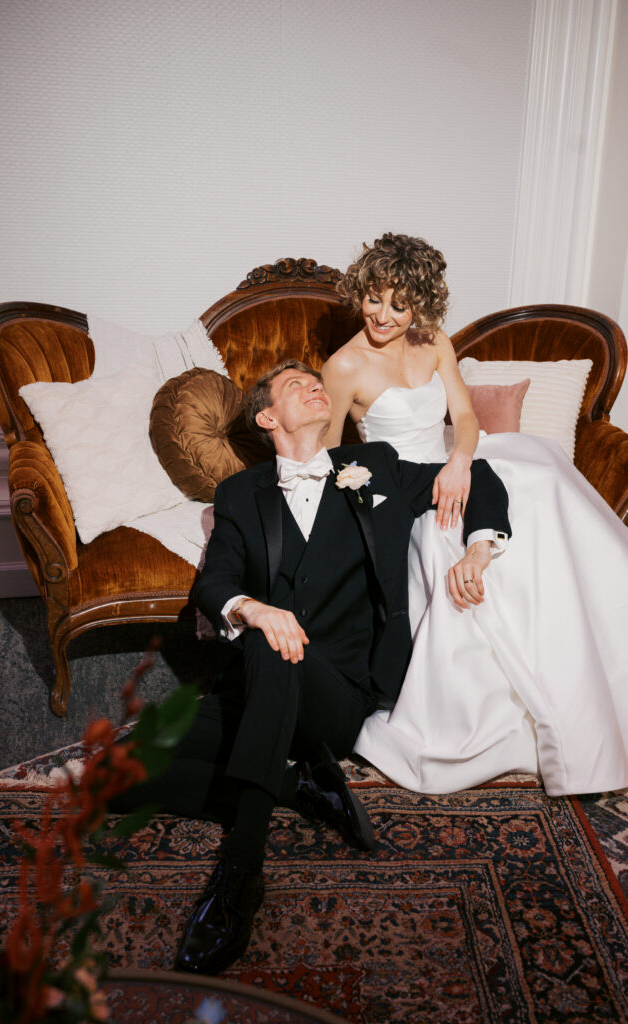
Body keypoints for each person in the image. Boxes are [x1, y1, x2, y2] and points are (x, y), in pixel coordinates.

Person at [117, 359, 510, 975]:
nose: (314, 387)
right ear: (267, 417)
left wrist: (478, 552)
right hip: (255, 685)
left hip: (339, 691)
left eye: (316, 381)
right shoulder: (240, 494)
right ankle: (296, 786)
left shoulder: (375, 466)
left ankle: (241, 873)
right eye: (294, 385)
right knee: (116, 771)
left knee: (274, 648)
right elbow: (213, 583)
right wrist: (253, 608)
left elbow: (478, 475)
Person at [322, 232, 628, 798]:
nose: (383, 315)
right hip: (408, 492)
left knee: (541, 477)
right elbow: (328, 458)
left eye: (400, 303)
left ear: (421, 304)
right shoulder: (344, 364)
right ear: (360, 293)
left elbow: (465, 419)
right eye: (373, 298)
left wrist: (460, 463)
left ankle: (623, 675)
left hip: (459, 463)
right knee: (455, 542)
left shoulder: (434, 342)